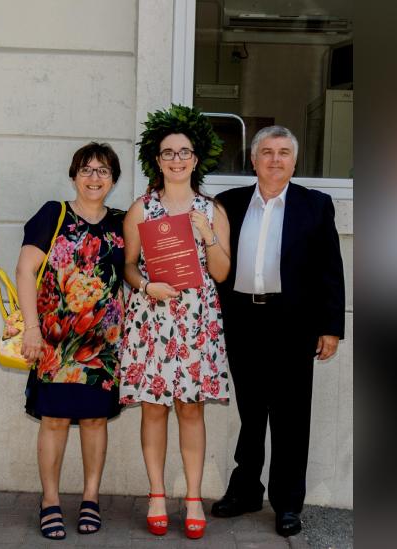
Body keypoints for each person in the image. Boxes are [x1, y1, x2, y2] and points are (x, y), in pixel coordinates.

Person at [211, 125, 346, 537]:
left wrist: (331, 328)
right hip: (242, 320)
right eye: (266, 152)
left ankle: (288, 504)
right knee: (251, 412)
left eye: (283, 152)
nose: (274, 159)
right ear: (252, 160)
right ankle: (246, 491)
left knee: (290, 417)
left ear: (294, 160)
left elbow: (330, 270)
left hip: (293, 323)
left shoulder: (315, 205)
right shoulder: (227, 204)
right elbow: (212, 263)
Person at [117, 105, 231, 540]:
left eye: (184, 152)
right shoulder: (141, 209)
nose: (177, 159)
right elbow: (129, 266)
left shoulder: (212, 209)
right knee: (153, 408)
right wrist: (146, 288)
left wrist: (209, 236)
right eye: (169, 153)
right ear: (158, 160)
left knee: (190, 408)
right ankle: (157, 495)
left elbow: (220, 273)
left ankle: (195, 497)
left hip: (197, 319)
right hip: (153, 319)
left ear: (195, 159)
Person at [11, 142, 125, 540]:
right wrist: (30, 329)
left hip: (102, 344)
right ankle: (50, 501)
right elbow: (26, 271)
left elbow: (139, 274)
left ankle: (91, 498)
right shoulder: (52, 214)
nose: (95, 178)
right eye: (87, 170)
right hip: (54, 340)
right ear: (74, 175)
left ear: (114, 180)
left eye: (103, 171)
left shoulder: (123, 223)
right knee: (55, 420)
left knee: (95, 420)